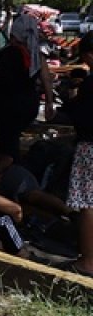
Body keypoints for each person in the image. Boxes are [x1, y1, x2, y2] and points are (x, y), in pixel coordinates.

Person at [0, 12, 56, 158]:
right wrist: (49, 102)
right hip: (29, 105)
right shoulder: (36, 55)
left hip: (9, 105)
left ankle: (8, 167)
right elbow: (46, 79)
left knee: (6, 144)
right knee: (14, 140)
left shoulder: (8, 53)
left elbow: (0, 80)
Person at [64, 35, 93, 275]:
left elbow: (81, 118)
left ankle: (88, 262)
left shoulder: (90, 84)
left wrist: (73, 96)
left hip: (90, 147)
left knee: (87, 204)